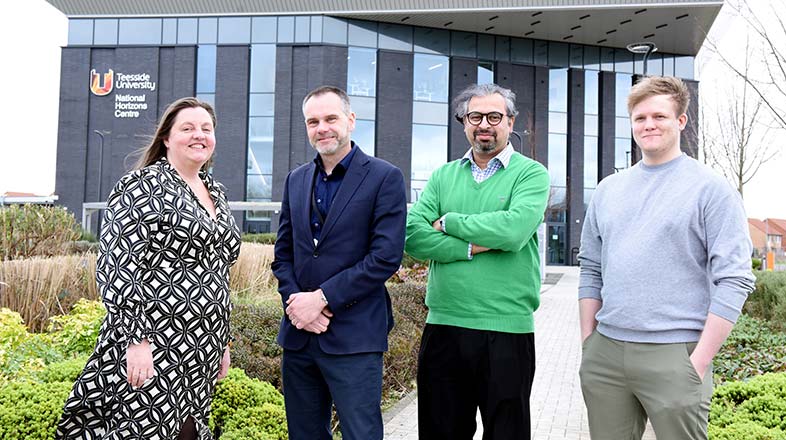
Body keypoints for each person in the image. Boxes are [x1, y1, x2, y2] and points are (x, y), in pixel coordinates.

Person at [578, 76, 756, 440]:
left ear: (681, 121)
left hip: (676, 354)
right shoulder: (607, 190)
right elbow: (591, 268)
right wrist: (588, 345)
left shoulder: (711, 189)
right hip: (606, 353)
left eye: (659, 116)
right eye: (640, 118)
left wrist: (699, 362)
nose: (648, 125)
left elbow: (735, 279)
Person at [57, 97, 241, 439]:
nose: (199, 135)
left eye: (206, 128)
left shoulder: (216, 191)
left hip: (202, 346)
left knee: (188, 431)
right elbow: (117, 266)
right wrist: (136, 340)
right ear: (167, 139)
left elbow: (219, 272)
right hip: (154, 340)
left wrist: (223, 342)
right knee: (142, 429)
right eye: (187, 128)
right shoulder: (141, 187)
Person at [405, 83, 550, 439]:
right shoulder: (443, 176)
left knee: (506, 433)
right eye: (475, 116)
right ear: (464, 123)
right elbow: (411, 234)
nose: (484, 124)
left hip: (507, 330)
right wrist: (468, 248)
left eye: (494, 116)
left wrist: (450, 222)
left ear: (511, 121)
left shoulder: (532, 174)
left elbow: (513, 230)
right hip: (444, 326)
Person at [271, 85, 406, 439]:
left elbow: (385, 258)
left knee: (360, 434)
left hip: (355, 337)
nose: (322, 128)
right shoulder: (296, 179)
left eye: (331, 118)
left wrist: (321, 299)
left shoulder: (384, 177)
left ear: (350, 120)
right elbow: (283, 255)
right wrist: (297, 304)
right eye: (313, 121)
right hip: (299, 337)